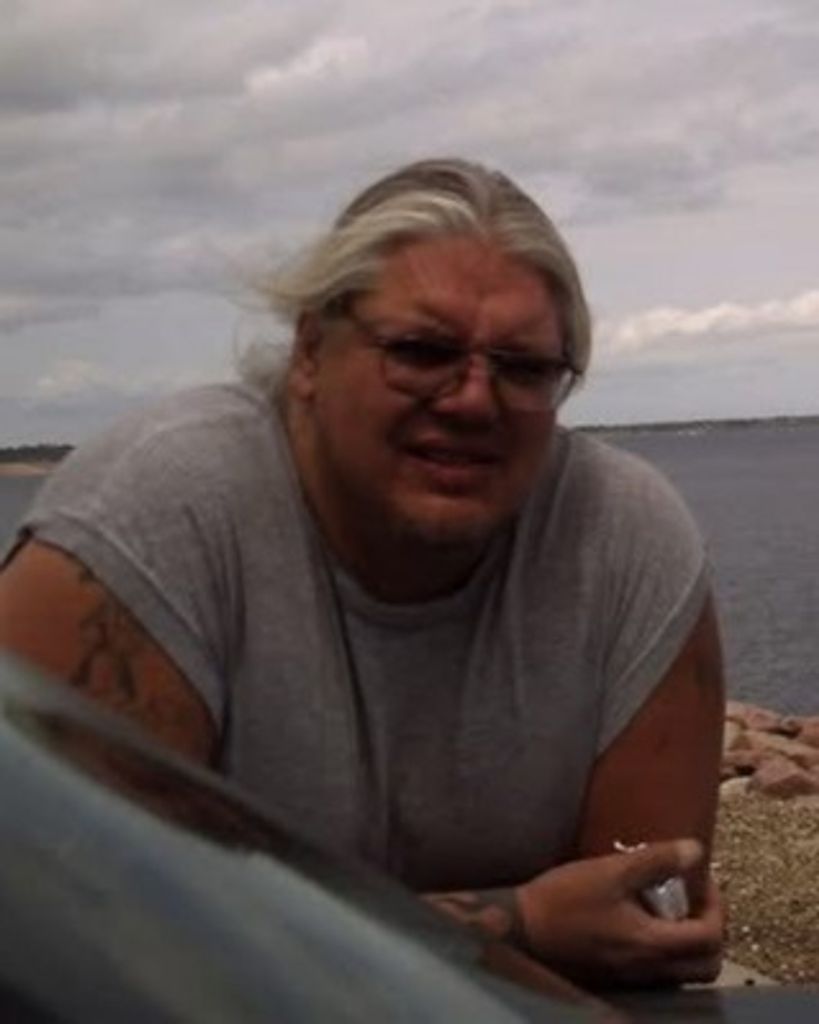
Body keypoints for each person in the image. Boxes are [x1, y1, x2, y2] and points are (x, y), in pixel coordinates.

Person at [0, 158, 725, 987]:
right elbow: (63, 933)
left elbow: (647, 915)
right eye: (421, 351)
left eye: (523, 368)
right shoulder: (156, 515)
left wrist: (565, 928)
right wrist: (516, 923)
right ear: (310, 350)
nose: (472, 400)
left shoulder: (623, 540)